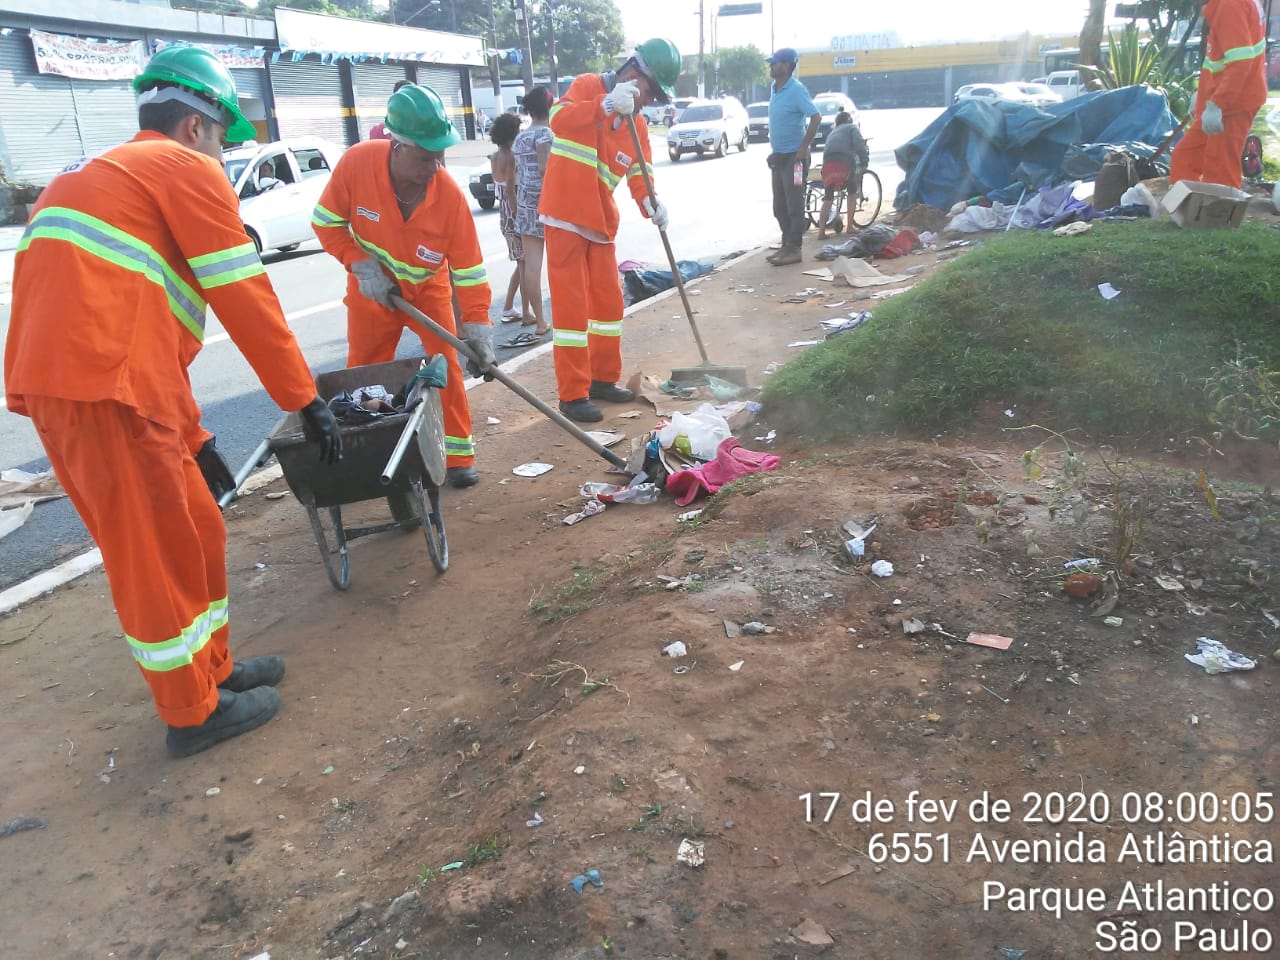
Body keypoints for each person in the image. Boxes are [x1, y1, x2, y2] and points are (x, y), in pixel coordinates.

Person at [3, 46, 343, 759]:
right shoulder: (181, 169)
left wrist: (195, 435)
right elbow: (244, 294)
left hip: (110, 387)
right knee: (153, 555)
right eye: (223, 139)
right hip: (101, 396)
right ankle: (192, 715)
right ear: (196, 128)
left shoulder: (100, 175)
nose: (223, 157)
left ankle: (211, 672)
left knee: (196, 531)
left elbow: (137, 326)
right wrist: (304, 399)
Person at [312, 83, 496, 488]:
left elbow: (469, 271)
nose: (435, 166)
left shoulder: (448, 197)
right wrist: (360, 264)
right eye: (426, 157)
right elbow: (325, 223)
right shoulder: (356, 166)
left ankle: (458, 453)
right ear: (397, 146)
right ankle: (369, 453)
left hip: (427, 293)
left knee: (442, 364)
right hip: (372, 291)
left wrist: (479, 331)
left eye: (440, 156)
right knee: (363, 372)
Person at [539, 38, 681, 423]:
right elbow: (558, 120)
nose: (651, 102)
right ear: (635, 75)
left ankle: (601, 379)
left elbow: (640, 171)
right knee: (572, 309)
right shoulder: (588, 87)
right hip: (565, 216)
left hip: (600, 222)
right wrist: (603, 106)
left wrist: (650, 201)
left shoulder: (636, 124)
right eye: (652, 92)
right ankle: (572, 394)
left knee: (607, 306)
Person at [1169, 0, 1267, 189]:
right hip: (1225, 100)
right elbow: (1221, 58)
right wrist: (1202, 94)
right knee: (1186, 156)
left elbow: (1240, 62)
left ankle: (1217, 217)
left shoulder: (1228, 5)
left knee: (1220, 172)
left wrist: (1217, 104)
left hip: (1232, 104)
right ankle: (1186, 211)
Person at [765, 47, 820, 266]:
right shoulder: (775, 88)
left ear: (786, 65)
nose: (771, 66)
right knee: (779, 206)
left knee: (794, 204)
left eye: (775, 63)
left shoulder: (796, 89)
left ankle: (794, 248)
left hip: (795, 159)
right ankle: (786, 244)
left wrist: (803, 149)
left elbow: (815, 118)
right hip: (779, 157)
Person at [511, 86, 555, 344]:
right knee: (558, 265)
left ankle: (540, 320)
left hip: (525, 206)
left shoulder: (520, 138)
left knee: (532, 267)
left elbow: (518, 173)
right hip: (547, 206)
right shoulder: (546, 135)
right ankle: (560, 315)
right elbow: (544, 169)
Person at [488, 112, 532, 328]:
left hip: (503, 217)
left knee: (520, 263)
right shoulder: (511, 157)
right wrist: (519, 217)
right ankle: (526, 312)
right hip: (514, 216)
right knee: (525, 266)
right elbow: (511, 192)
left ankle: (508, 307)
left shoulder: (495, 157)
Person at [815, 110, 868, 241]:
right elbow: (860, 145)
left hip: (827, 166)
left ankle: (821, 232)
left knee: (828, 198)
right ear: (849, 120)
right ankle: (849, 226)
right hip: (843, 164)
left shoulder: (832, 132)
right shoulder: (852, 128)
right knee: (852, 192)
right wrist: (864, 161)